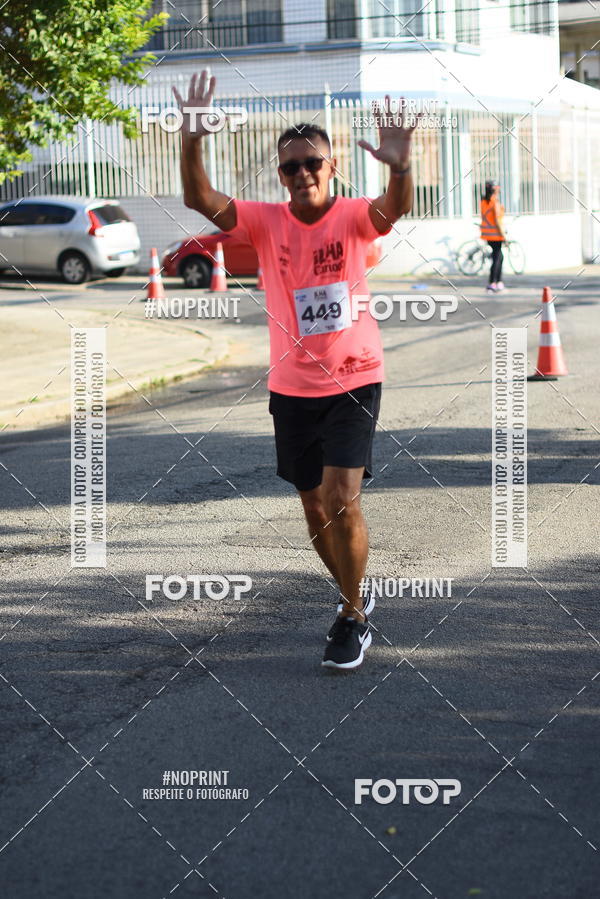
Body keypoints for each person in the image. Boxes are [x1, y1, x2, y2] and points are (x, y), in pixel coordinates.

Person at [174, 71, 416, 670]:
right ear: (279, 176)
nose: (302, 172)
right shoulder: (264, 222)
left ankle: (353, 614)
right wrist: (190, 139)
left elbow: (393, 209)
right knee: (313, 506)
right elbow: (200, 201)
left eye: (312, 162)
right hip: (290, 387)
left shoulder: (356, 217)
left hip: (355, 377)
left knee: (341, 498)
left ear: (331, 167)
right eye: (290, 166)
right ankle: (352, 592)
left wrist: (401, 167)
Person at [480, 180, 506, 292]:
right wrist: (504, 235)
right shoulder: (495, 203)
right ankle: (493, 282)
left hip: (487, 235)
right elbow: (497, 221)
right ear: (495, 189)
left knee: (499, 257)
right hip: (496, 235)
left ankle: (498, 281)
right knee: (497, 258)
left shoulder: (483, 202)